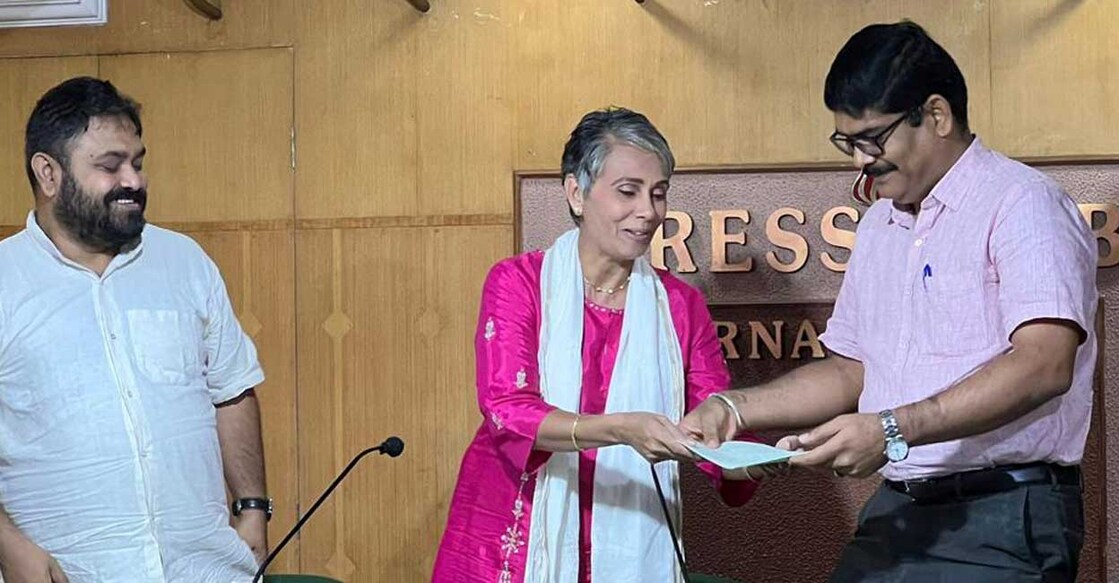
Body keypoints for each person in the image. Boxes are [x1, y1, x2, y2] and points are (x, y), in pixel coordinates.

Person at [683, 21, 1098, 582]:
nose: (859, 159)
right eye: (847, 142)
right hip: (900, 509)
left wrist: (892, 429)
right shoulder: (880, 224)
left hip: (1003, 515)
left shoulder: (1023, 204)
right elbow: (851, 370)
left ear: (936, 115)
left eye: (872, 138)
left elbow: (1045, 364)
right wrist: (735, 410)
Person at [433, 107, 760, 583]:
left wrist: (754, 460)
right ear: (576, 192)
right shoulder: (518, 283)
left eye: (659, 193)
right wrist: (621, 429)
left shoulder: (680, 305)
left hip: (635, 537)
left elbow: (714, 420)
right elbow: (507, 409)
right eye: (628, 191)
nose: (648, 211)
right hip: (513, 537)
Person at [0, 77, 271, 582]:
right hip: (70, 571)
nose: (134, 181)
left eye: (138, 162)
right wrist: (7, 544)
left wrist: (253, 507)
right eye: (109, 165)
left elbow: (231, 389)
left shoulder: (184, 262)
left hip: (204, 568)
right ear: (48, 173)